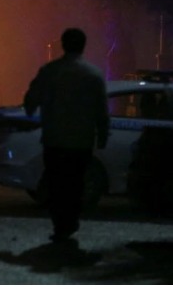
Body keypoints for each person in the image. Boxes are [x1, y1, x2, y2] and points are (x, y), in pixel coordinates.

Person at [23, 28, 109, 242]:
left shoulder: (50, 71)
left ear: (63, 44)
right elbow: (101, 110)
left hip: (55, 140)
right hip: (81, 142)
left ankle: (61, 223)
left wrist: (33, 109)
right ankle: (70, 222)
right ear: (83, 45)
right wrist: (103, 134)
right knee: (75, 182)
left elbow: (31, 100)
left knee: (56, 182)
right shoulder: (93, 75)